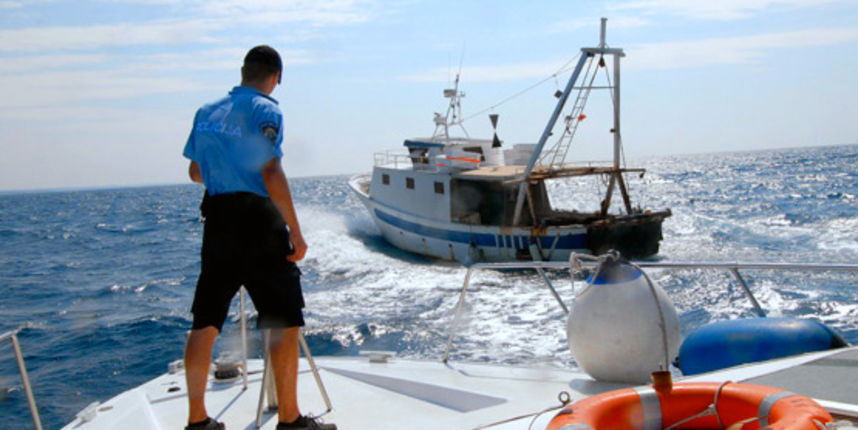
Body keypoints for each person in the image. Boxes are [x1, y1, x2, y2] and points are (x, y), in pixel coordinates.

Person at [182, 45, 336, 430]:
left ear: (242, 71)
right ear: (275, 76)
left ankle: (197, 420)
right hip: (259, 223)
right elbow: (271, 172)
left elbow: (195, 172)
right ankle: (289, 419)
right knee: (283, 321)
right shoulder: (267, 109)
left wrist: (226, 173)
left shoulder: (205, 112)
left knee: (205, 321)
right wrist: (297, 234)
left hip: (218, 222)